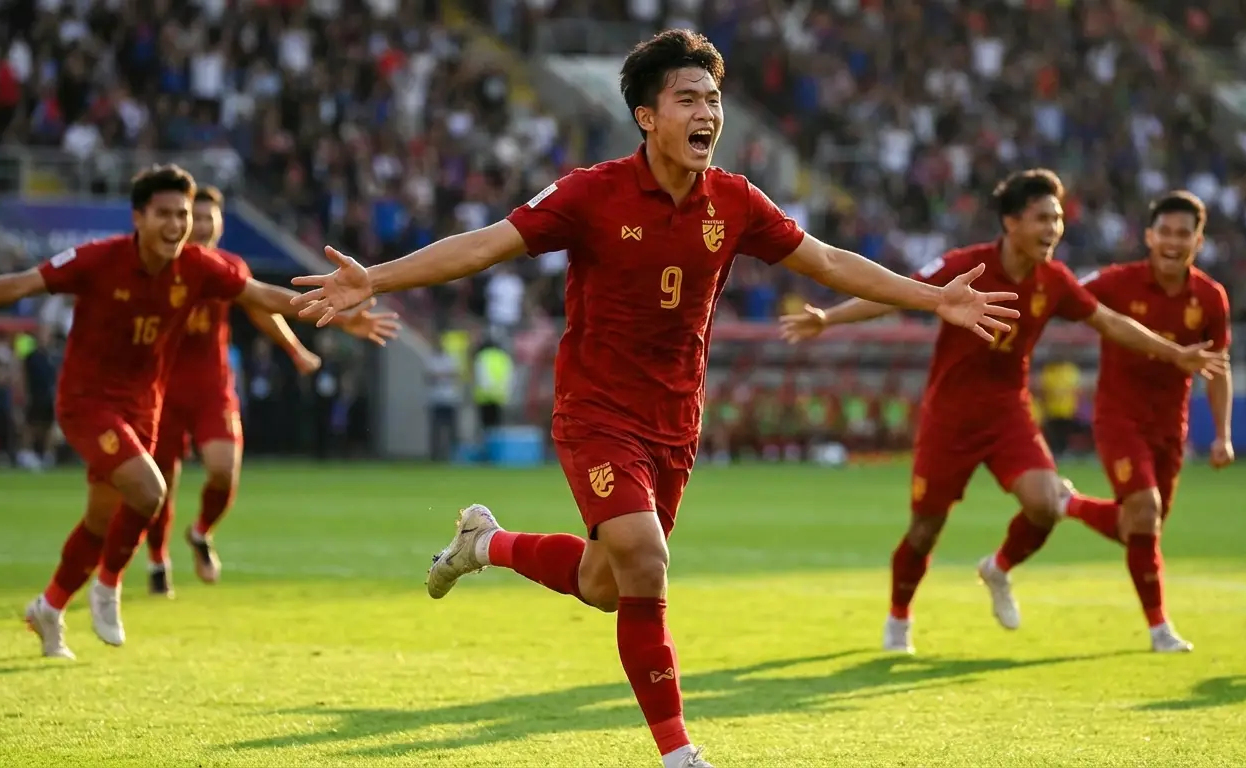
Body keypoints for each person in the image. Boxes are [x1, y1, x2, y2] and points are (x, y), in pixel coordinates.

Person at [289, 29, 1020, 768]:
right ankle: (678, 754)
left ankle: (486, 544)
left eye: (714, 99)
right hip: (595, 411)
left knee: (605, 583)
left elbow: (827, 261)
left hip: (675, 420)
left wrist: (934, 299)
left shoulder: (734, 201)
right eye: (688, 99)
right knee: (646, 556)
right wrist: (376, 277)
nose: (708, 113)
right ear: (647, 116)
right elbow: (484, 244)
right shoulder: (591, 193)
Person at [0, 164, 398, 659]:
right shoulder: (99, 260)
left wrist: (339, 318)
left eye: (182, 214)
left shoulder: (199, 266)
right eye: (165, 214)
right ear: (138, 217)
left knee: (101, 518)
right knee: (150, 489)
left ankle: (49, 608)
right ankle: (109, 585)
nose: (177, 225)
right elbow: (20, 285)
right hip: (88, 403)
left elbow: (263, 297)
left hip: (145, 406)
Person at [778, 169, 1227, 656]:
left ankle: (998, 568)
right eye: (1042, 219)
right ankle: (899, 618)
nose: (1053, 229)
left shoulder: (1054, 280)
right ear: (1011, 222)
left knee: (1044, 505)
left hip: (1009, 412)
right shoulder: (966, 266)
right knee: (925, 529)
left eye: (1057, 219)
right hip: (949, 417)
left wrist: (1175, 353)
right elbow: (895, 294)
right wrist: (829, 318)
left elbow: (1110, 321)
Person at [142, 186, 390, 597]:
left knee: (224, 469)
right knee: (161, 482)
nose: (200, 225)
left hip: (211, 387)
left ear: (220, 224)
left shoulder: (227, 267)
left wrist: (295, 349)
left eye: (207, 218)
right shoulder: (158, 267)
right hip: (161, 388)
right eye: (193, 217)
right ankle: (157, 560)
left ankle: (200, 532)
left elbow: (261, 306)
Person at [1060, 191, 1233, 652]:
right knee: (1145, 509)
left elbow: (1218, 367)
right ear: (1149, 237)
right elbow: (1064, 293)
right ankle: (1160, 630)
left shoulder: (1210, 297)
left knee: (1139, 527)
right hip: (1118, 417)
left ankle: (1069, 504)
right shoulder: (1117, 282)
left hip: (1169, 428)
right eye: (1166, 233)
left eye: (1184, 234)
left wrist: (1222, 435)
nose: (1174, 242)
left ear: (1198, 241)